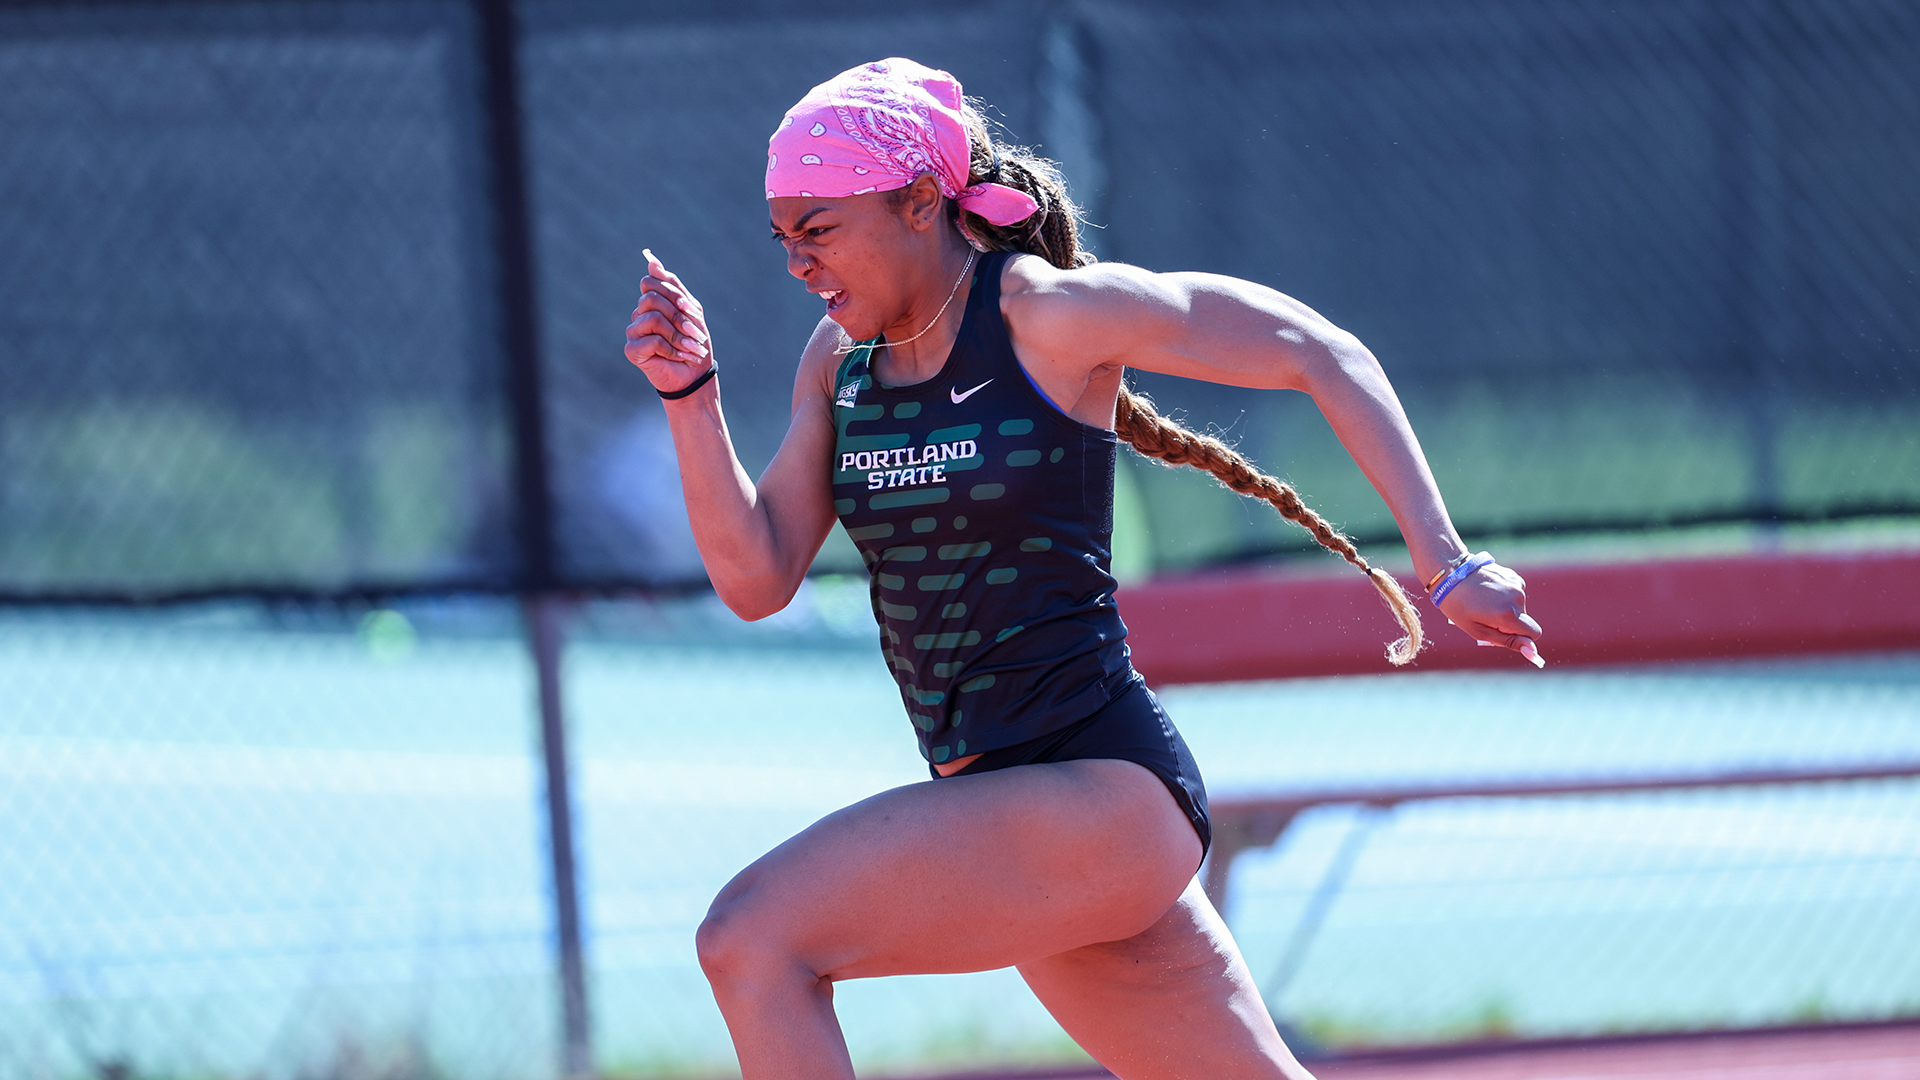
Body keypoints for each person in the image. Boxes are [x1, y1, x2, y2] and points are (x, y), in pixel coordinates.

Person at [625, 57, 1542, 1080]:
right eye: (783, 238)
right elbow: (757, 581)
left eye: (820, 230)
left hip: (1103, 797)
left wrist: (1448, 564)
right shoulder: (837, 364)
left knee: (751, 937)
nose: (797, 264)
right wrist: (691, 398)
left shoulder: (1045, 318)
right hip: (1009, 809)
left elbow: (1316, 347)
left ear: (921, 200)